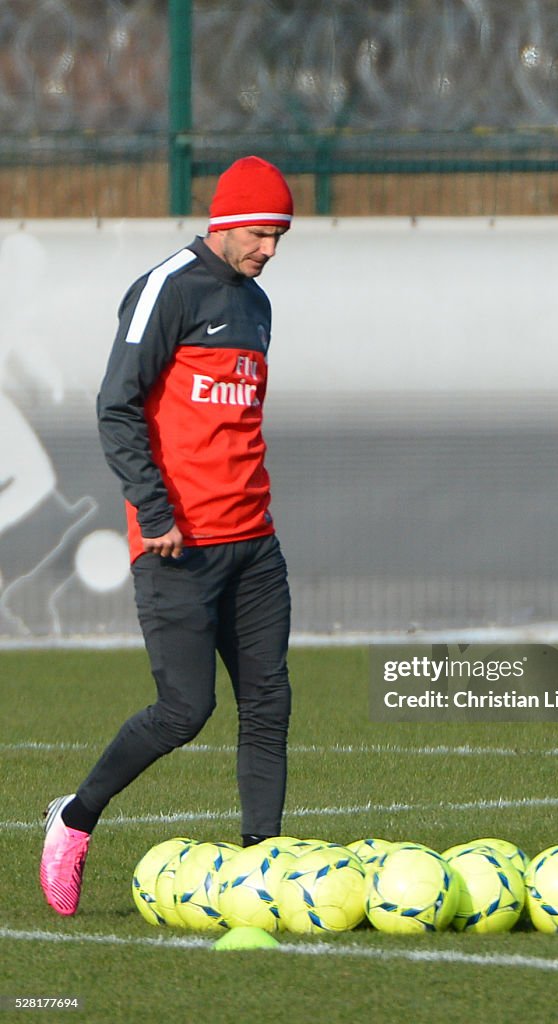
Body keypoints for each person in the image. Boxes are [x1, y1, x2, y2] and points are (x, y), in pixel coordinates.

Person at [39, 156, 295, 916]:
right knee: (185, 711)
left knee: (268, 702)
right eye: (259, 233)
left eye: (280, 236)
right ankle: (74, 818)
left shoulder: (258, 307)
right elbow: (116, 405)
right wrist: (155, 513)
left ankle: (262, 871)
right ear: (223, 221)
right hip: (175, 544)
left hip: (254, 544)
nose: (269, 250)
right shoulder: (166, 289)